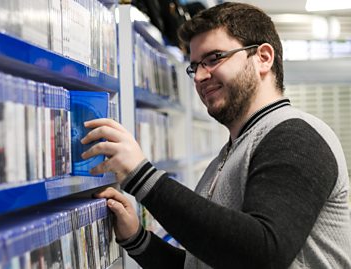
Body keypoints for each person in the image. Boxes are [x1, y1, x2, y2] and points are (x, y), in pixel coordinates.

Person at [80, 2, 351, 269]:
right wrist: (137, 239)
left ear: (263, 57)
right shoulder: (232, 152)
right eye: (194, 66)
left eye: (214, 58)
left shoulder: (296, 137)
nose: (199, 76)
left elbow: (263, 255)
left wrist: (141, 177)